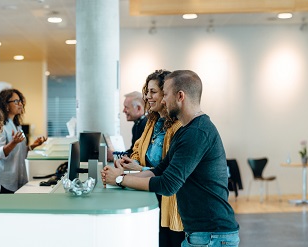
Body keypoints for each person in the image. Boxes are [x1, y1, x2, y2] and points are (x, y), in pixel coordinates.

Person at [102, 70, 240, 247]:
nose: (163, 100)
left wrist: (121, 179)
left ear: (180, 96)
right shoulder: (185, 131)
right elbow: (158, 171)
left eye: (165, 94)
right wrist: (120, 176)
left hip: (211, 236)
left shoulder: (196, 133)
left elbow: (168, 184)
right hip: (202, 234)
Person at [121, 70, 184, 247]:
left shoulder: (178, 128)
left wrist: (137, 170)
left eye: (153, 92)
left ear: (166, 94)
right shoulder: (152, 121)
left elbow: (168, 172)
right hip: (151, 194)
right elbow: (137, 148)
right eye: (147, 91)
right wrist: (131, 162)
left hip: (170, 203)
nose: (147, 96)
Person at [0, 89, 47, 192]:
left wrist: (33, 146)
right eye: (16, 101)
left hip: (18, 176)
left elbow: (19, 151)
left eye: (21, 101)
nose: (20, 104)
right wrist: (13, 143)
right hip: (5, 180)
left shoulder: (16, 125)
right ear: (6, 105)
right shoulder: (0, 126)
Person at [122, 91, 147, 156]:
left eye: (126, 107)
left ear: (138, 108)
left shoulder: (146, 125)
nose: (123, 111)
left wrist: (115, 155)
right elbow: (133, 151)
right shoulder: (137, 125)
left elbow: (139, 154)